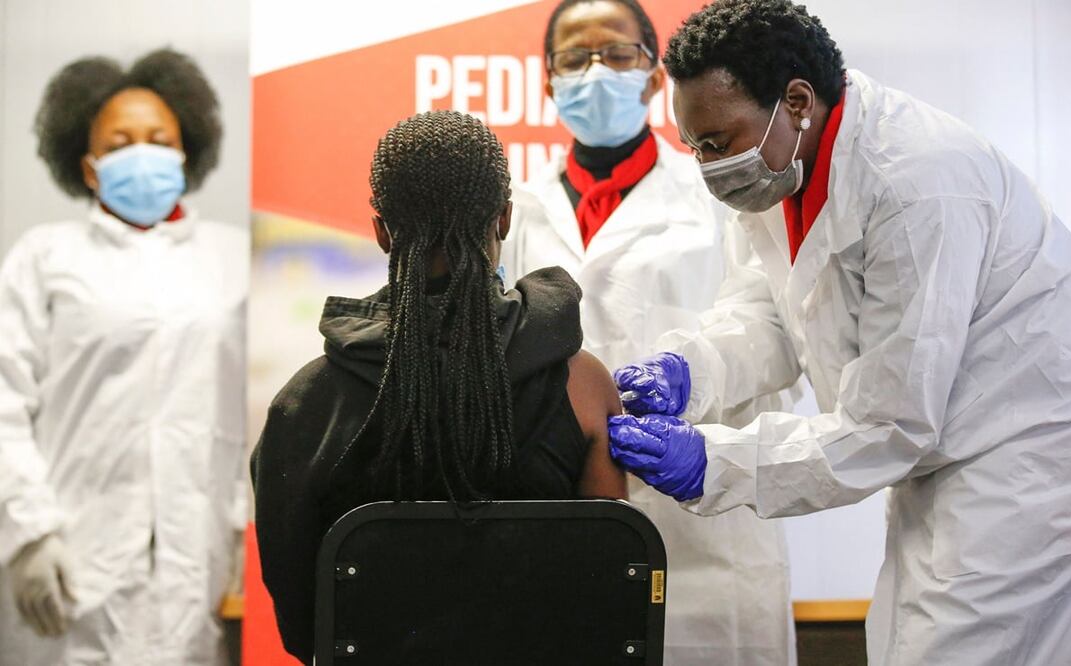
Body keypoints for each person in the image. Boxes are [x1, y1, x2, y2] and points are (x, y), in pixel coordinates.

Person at [607, 1, 1071, 664]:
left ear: (796, 101)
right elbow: (770, 315)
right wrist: (692, 370)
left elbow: (889, 425)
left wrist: (712, 463)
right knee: (901, 644)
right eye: (694, 146)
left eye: (718, 142)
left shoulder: (916, 184)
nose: (708, 166)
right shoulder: (782, 167)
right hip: (941, 469)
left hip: (1019, 469)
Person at [251, 110, 626, 662]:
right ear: (504, 219)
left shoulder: (306, 405)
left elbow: (305, 623)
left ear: (381, 231)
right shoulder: (583, 386)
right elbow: (608, 586)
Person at [501, 1, 794, 663]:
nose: (595, 72)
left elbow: (775, 330)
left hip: (707, 537)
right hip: (556, 529)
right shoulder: (514, 211)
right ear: (548, 82)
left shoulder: (719, 195)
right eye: (574, 58)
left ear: (655, 76)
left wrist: (690, 377)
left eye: (616, 54)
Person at [0, 49, 247, 665]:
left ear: (186, 152)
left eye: (160, 140)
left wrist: (250, 527)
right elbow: (4, 401)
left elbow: (258, 410)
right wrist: (28, 534)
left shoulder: (231, 259)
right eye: (120, 143)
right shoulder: (45, 257)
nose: (143, 154)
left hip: (201, 563)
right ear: (89, 167)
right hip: (71, 557)